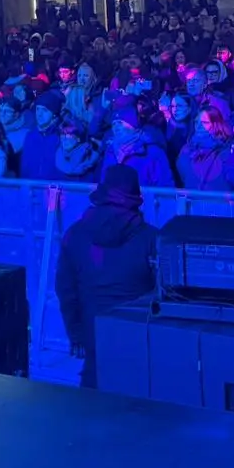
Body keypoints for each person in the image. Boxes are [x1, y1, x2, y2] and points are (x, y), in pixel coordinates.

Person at [55, 163, 158, 389]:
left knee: (92, 405)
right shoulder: (151, 238)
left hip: (92, 329)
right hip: (138, 333)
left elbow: (65, 289)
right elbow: (162, 291)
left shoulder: (75, 233)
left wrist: (76, 333)